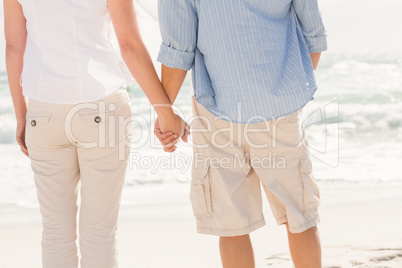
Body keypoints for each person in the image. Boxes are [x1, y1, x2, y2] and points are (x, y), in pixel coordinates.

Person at [4, 0, 188, 267]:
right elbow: (129, 46)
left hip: (43, 112)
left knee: (55, 232)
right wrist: (164, 111)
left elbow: (13, 48)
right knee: (100, 234)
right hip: (102, 104)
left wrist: (22, 114)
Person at [155, 0, 327, 267]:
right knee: (299, 214)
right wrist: (286, 91)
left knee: (231, 223)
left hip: (216, 108)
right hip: (279, 107)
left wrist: (165, 112)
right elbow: (313, 33)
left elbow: (179, 48)